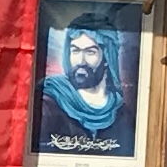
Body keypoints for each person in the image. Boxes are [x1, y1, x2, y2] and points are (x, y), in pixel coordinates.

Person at [37, 21, 131, 155]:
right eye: (75, 51)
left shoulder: (121, 113)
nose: (81, 61)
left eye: (90, 52)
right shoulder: (48, 103)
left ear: (107, 58)